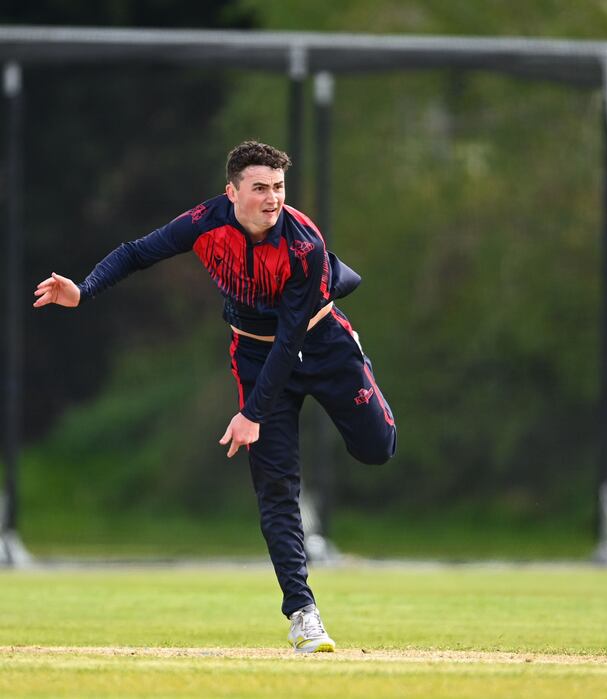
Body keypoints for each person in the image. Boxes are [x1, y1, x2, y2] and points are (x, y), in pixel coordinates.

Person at [33, 140, 396, 653]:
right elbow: (137, 253)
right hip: (255, 354)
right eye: (260, 188)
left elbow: (291, 339)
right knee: (275, 489)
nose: (272, 199)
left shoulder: (304, 243)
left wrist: (251, 414)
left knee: (377, 448)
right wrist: (84, 290)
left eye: (279, 187)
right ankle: (303, 614)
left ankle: (360, 366)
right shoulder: (206, 222)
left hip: (321, 343)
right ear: (232, 192)